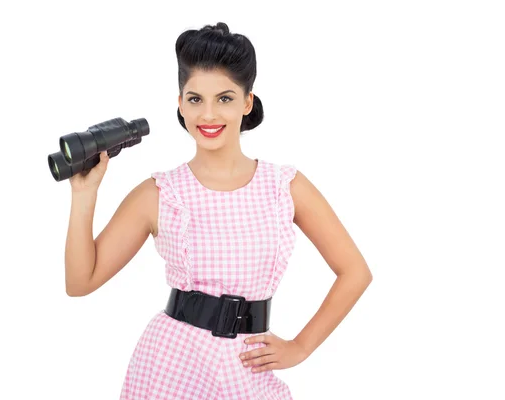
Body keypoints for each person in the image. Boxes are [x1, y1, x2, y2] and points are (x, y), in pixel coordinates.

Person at [64, 22, 373, 399]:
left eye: (224, 98)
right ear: (180, 103)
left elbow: (355, 272)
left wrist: (301, 347)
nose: (208, 114)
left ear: (247, 102)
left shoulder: (285, 187)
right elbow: (81, 282)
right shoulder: (160, 193)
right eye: (195, 99)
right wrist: (85, 194)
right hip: (170, 367)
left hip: (248, 367)